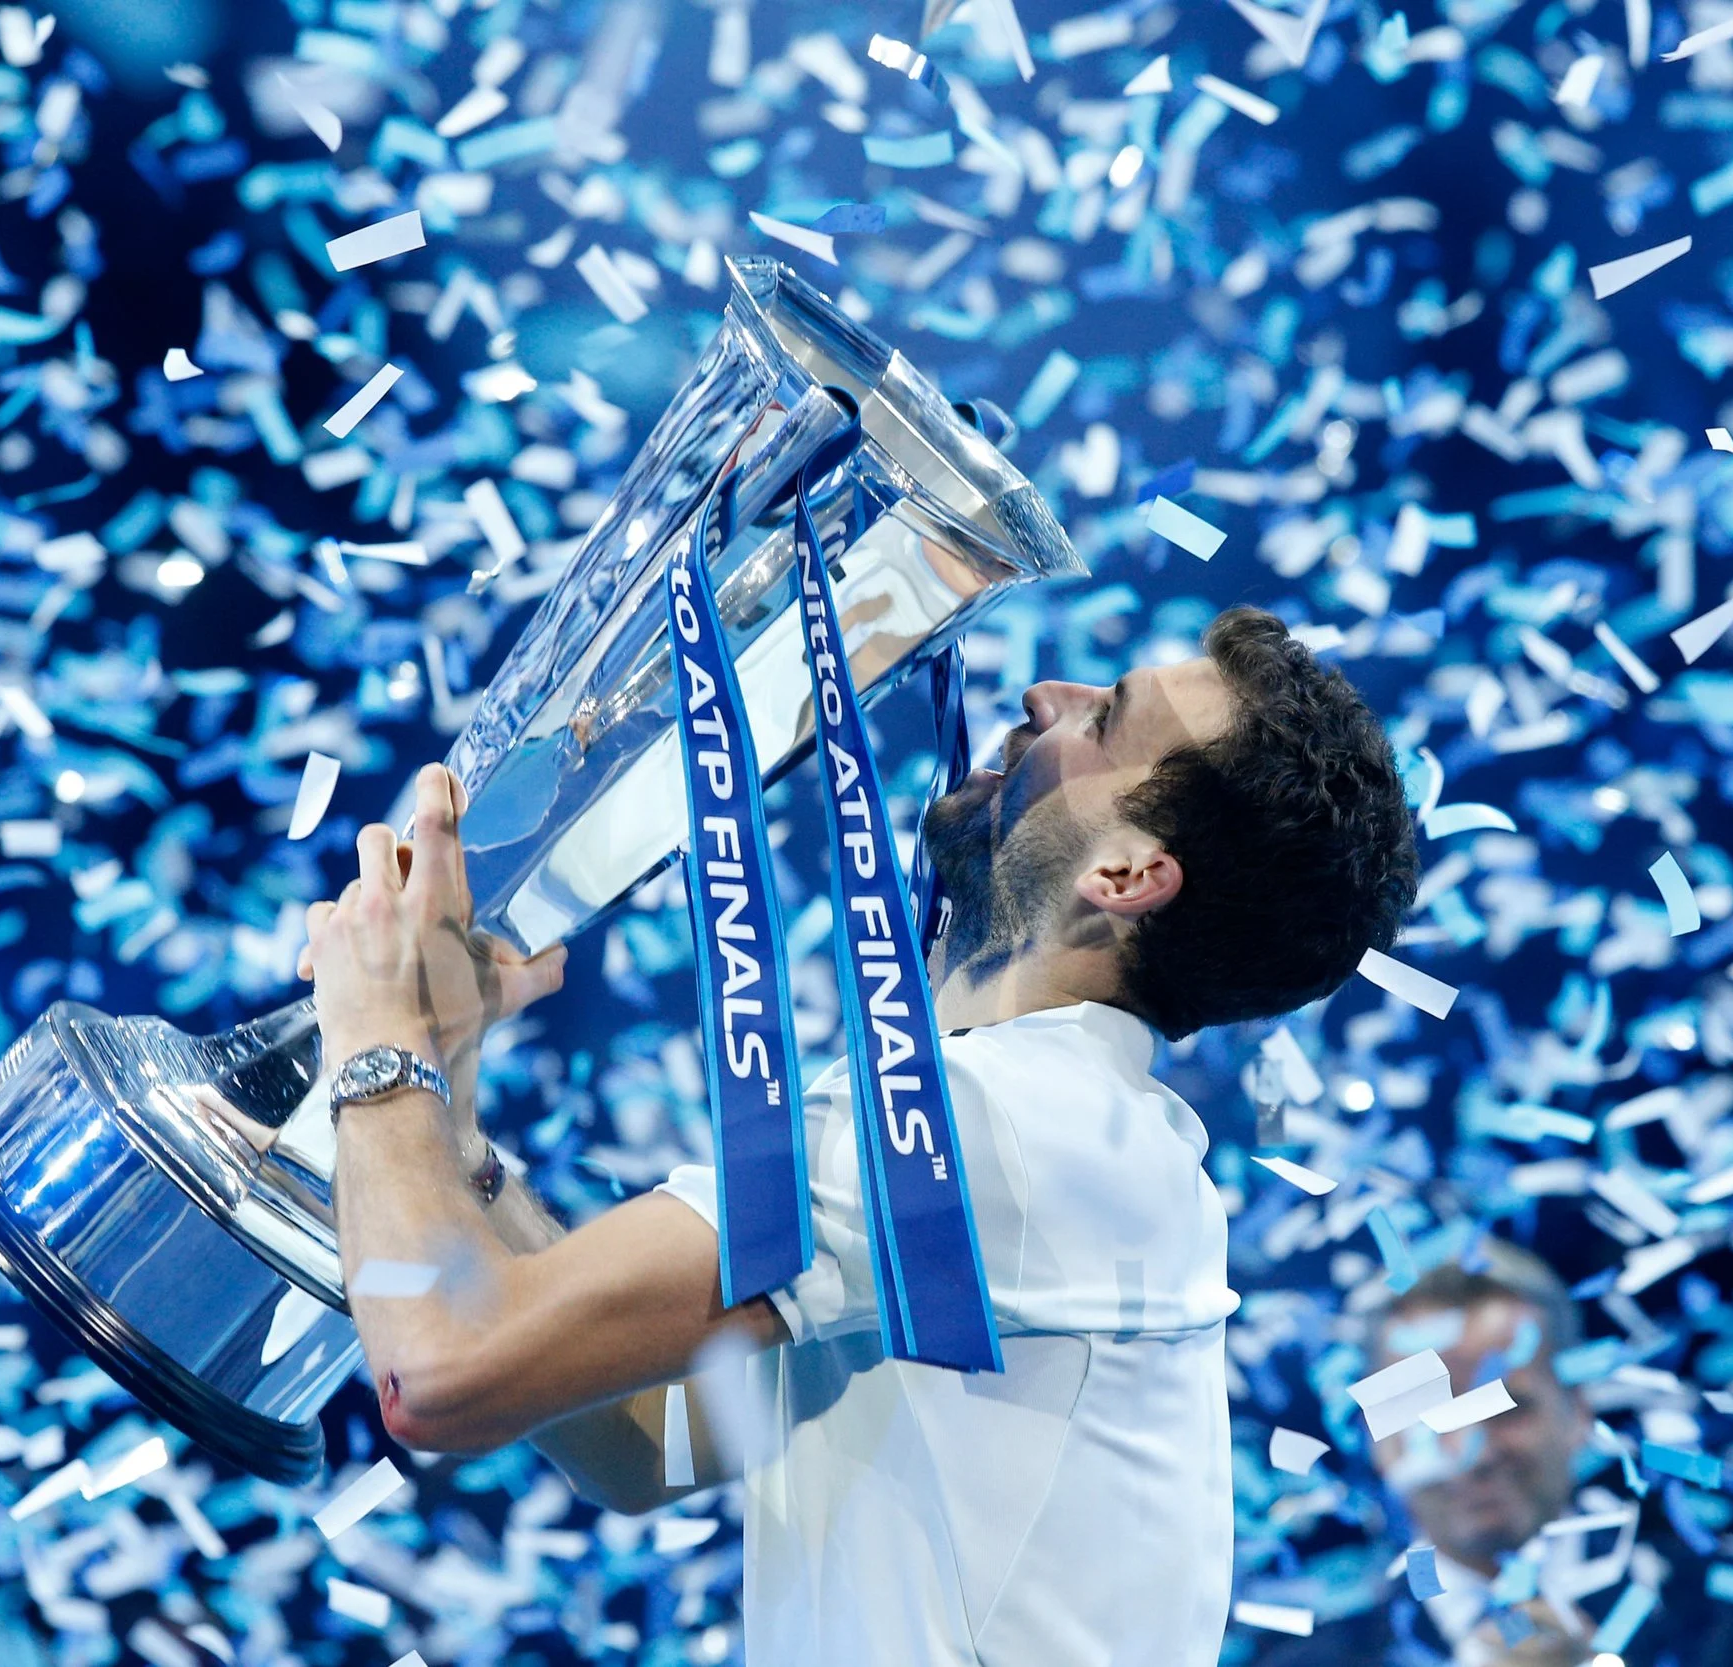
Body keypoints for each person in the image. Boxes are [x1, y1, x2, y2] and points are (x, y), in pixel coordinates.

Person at [270, 605, 1419, 1666]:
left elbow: (443, 1372)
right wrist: (450, 1115)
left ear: (1124, 874)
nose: (1046, 694)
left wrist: (380, 1039)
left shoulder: (1008, 1124)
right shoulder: (1050, 1127)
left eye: (1106, 718)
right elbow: (642, 1438)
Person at [1258, 1244, 1733, 1667]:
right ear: (1377, 1440)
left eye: (1507, 1406)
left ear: (1579, 1413)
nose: (1469, 1452)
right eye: (1427, 1415)